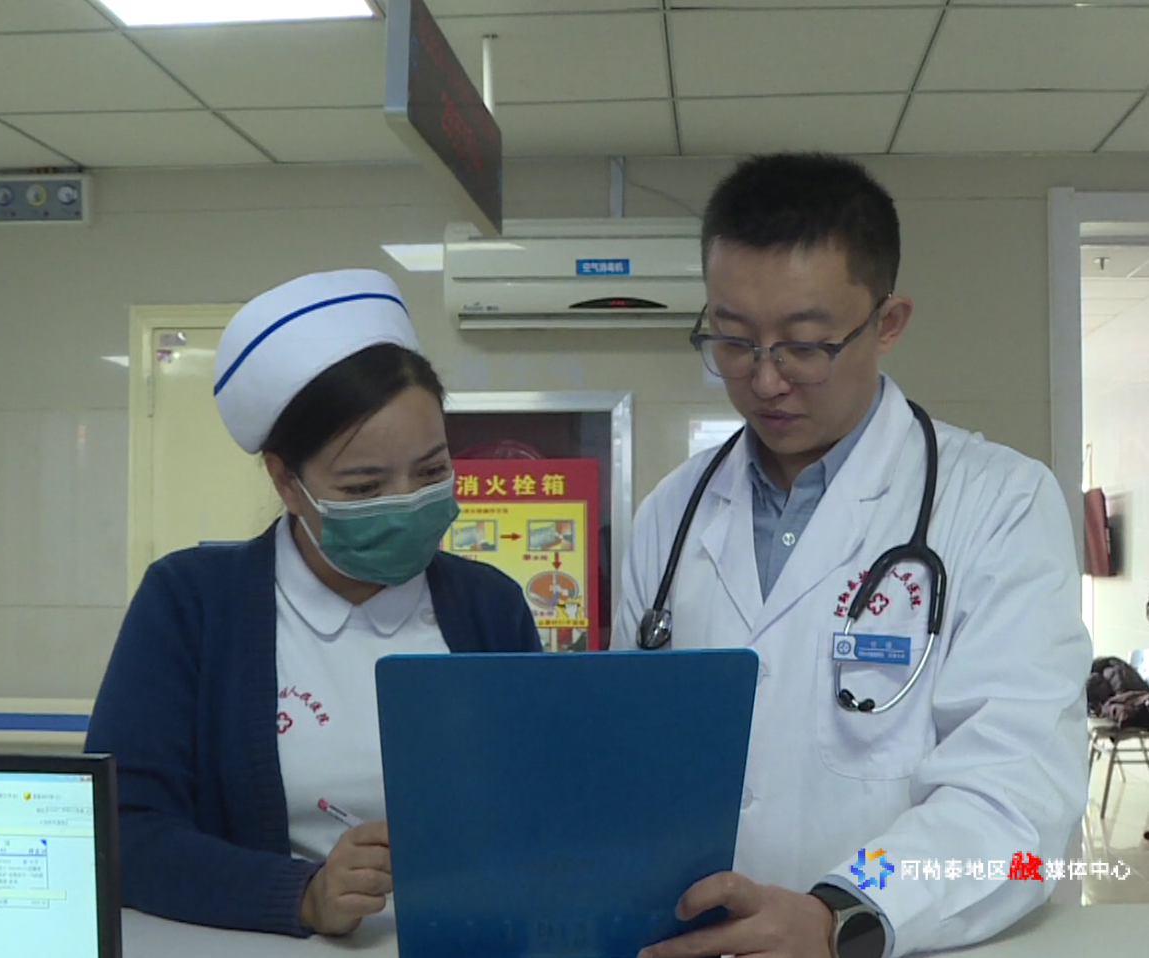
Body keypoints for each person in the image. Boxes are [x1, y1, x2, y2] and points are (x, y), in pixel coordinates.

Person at [611, 154, 1091, 958]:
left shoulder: (998, 503)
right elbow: (626, 760)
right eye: (733, 339)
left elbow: (1017, 802)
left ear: (888, 323)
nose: (765, 380)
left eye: (804, 345)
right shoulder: (671, 512)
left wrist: (843, 911)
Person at [85, 269, 541, 938]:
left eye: (431, 471)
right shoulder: (193, 604)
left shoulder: (488, 607)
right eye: (363, 488)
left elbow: (541, 801)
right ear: (285, 479)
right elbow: (123, 831)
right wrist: (303, 894)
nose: (406, 504)